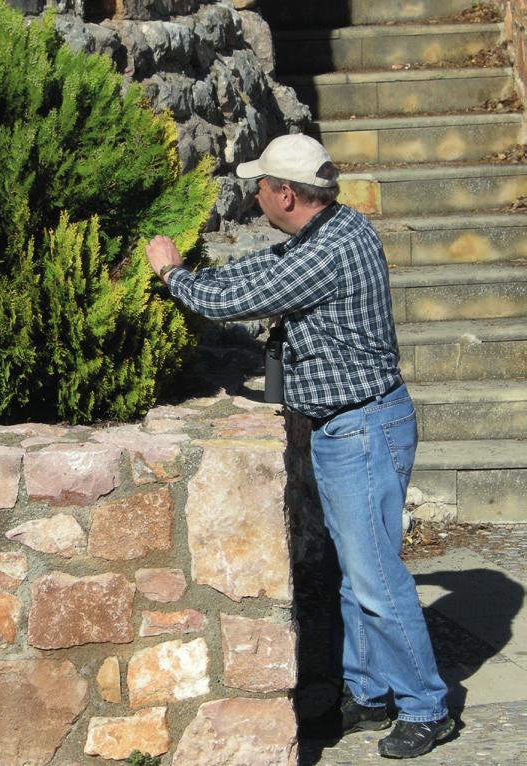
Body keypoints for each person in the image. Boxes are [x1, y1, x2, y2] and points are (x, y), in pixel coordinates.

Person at [145, 134, 454, 760]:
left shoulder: (331, 251)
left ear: (285, 193)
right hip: (352, 427)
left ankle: (426, 706)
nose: (254, 192)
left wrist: (172, 273)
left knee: (375, 579)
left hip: (364, 428)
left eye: (259, 183)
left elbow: (237, 298)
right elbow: (264, 269)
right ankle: (368, 695)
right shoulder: (330, 231)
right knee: (353, 575)